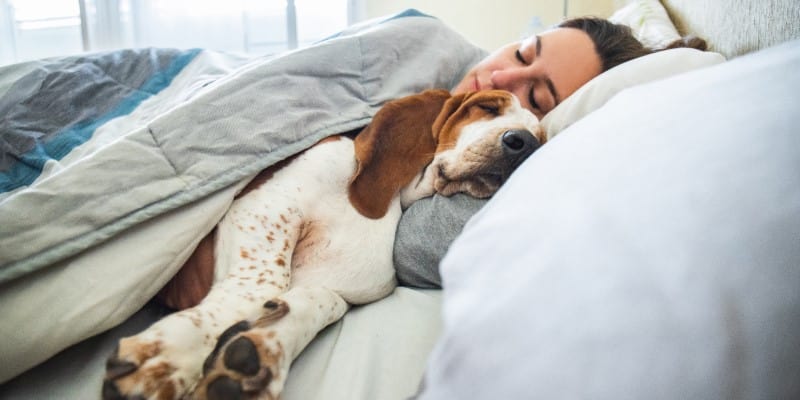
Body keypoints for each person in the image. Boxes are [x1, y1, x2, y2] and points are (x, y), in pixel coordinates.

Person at [394, 17, 706, 288]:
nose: (500, 79)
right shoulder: (422, 47)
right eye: (521, 54)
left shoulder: (529, 149)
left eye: (535, 97)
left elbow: (414, 244)